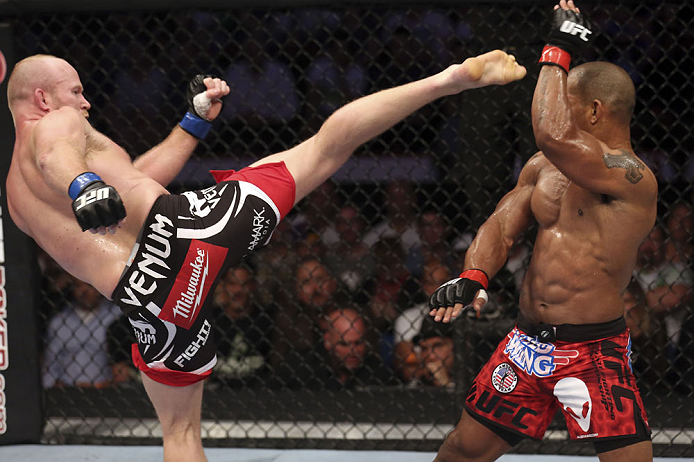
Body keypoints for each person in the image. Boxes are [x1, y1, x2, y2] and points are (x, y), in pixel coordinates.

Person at [6, 50, 525, 461]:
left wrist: (192, 123)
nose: (86, 102)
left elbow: (134, 178)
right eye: (76, 92)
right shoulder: (53, 129)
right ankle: (446, 81)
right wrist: (83, 184)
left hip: (150, 299)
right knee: (324, 148)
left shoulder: (15, 196)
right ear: (42, 98)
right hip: (186, 235)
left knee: (180, 432)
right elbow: (60, 155)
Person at [428, 2, 657, 460]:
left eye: (563, 104)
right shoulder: (544, 168)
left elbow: (549, 132)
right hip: (527, 342)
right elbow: (501, 225)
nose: (552, 111)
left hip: (594, 350)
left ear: (593, 111)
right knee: (463, 450)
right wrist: (474, 275)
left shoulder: (630, 177)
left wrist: (558, 49)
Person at [272, 306, 395, 389]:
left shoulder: (378, 373)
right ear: (328, 342)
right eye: (344, 344)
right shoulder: (299, 367)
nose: (353, 351)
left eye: (358, 343)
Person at [42, 276, 121, 388]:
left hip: (106, 388)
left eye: (89, 285)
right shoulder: (59, 322)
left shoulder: (115, 316)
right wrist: (52, 386)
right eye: (78, 285)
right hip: (68, 389)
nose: (84, 291)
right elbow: (50, 362)